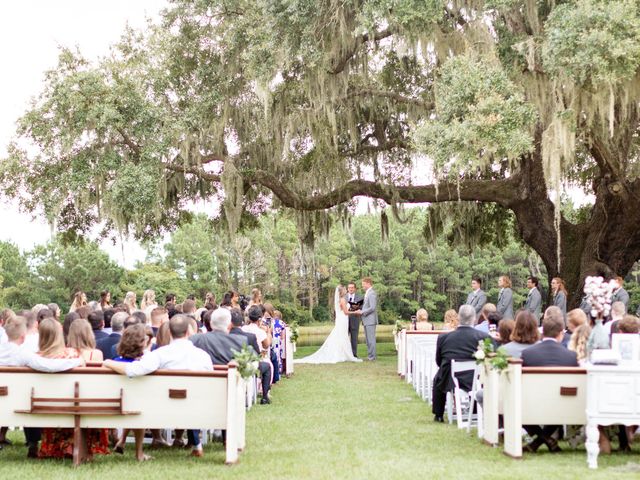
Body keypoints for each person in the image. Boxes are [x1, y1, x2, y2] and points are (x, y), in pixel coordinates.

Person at [104, 315, 212, 457]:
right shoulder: (203, 356)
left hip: (161, 408)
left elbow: (134, 370)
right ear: (188, 332)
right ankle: (196, 445)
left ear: (170, 332)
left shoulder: (159, 354)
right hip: (197, 406)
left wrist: (108, 362)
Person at [0, 316, 83, 458]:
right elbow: (49, 366)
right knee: (29, 397)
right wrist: (77, 361)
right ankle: (34, 443)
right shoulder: (22, 354)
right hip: (19, 402)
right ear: (23, 336)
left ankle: (32, 443)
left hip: (6, 401)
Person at [37, 318, 109, 460]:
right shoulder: (96, 354)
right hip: (89, 399)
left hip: (62, 398)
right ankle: (84, 449)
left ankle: (60, 447)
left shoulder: (65, 353)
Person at [521, 306, 578, 453]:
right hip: (563, 405)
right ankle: (546, 438)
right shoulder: (571, 356)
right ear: (560, 334)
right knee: (562, 403)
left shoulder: (527, 354)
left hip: (531, 404)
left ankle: (538, 440)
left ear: (542, 333)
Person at [432, 305, 489, 422]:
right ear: (474, 319)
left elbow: (439, 361)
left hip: (449, 379)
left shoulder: (444, 338)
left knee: (438, 377)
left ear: (459, 318)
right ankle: (475, 410)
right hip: (475, 378)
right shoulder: (483, 337)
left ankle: (438, 414)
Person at [296, 285, 363, 364]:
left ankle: (342, 354)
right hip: (343, 319)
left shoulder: (340, 300)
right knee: (342, 336)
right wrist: (356, 312)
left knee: (341, 336)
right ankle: (341, 354)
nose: (346, 290)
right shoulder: (342, 300)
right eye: (345, 289)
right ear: (342, 291)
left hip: (341, 319)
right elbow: (346, 312)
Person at [229, 309, 272, 404]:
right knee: (267, 366)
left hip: (229, 364)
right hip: (246, 365)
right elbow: (257, 354)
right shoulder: (251, 336)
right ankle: (265, 396)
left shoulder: (227, 334)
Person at [346, 282, 363, 357]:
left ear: (355, 289)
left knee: (354, 338)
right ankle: (345, 354)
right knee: (344, 337)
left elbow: (361, 308)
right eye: (349, 287)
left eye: (352, 287)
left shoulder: (360, 297)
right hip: (345, 320)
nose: (351, 289)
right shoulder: (343, 297)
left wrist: (357, 309)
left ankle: (354, 354)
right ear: (347, 289)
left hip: (355, 319)